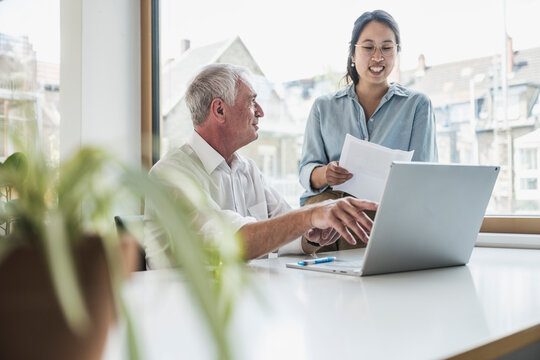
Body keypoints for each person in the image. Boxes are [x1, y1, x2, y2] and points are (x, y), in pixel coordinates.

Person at [144, 63, 378, 268]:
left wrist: (311, 235)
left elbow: (286, 225)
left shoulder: (247, 169)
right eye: (252, 101)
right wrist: (312, 214)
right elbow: (233, 242)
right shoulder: (172, 175)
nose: (261, 112)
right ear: (219, 110)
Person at [298, 10, 438, 251]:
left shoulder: (417, 105)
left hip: (388, 213)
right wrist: (325, 174)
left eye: (386, 48)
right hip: (330, 213)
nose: (378, 57)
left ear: (396, 53)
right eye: (368, 47)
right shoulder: (324, 106)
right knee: (328, 218)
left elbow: (424, 177)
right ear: (352, 53)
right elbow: (306, 171)